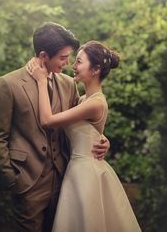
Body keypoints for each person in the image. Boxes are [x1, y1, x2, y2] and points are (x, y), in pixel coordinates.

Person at [0, 22, 110, 232]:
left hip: (65, 181)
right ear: (44, 55)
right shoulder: (8, 84)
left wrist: (101, 139)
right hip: (28, 184)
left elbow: (80, 125)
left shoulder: (68, 84)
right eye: (63, 57)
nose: (68, 63)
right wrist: (11, 180)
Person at [27, 40, 142, 232]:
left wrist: (40, 81)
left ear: (95, 69)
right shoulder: (83, 100)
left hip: (86, 173)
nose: (73, 65)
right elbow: (87, 131)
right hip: (77, 170)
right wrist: (103, 139)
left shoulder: (95, 103)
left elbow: (47, 121)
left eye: (79, 61)